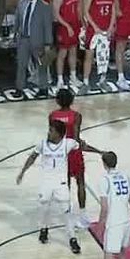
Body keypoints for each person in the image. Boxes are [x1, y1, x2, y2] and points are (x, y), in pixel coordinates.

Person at [16, 119, 83, 253]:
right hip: (46, 182)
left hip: (61, 183)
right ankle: (44, 228)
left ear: (59, 134)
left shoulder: (68, 143)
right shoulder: (42, 144)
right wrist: (22, 172)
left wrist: (100, 152)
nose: (48, 133)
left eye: (51, 131)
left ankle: (72, 239)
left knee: (66, 210)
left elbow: (82, 145)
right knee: (44, 208)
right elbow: (32, 157)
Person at [50, 88, 91, 227]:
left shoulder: (52, 116)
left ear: (57, 100)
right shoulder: (76, 115)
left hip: (60, 152)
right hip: (73, 152)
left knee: (65, 185)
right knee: (80, 182)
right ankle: (83, 214)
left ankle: (68, 215)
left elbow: (53, 136)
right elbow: (76, 137)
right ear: (72, 101)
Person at [15, 0, 54, 90]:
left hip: (38, 41)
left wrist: (48, 43)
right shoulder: (21, 3)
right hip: (23, 40)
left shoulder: (44, 6)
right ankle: (19, 88)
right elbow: (18, 19)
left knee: (41, 65)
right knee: (21, 65)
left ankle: (43, 88)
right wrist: (15, 33)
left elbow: (47, 26)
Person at [82, 0, 116, 87]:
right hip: (93, 30)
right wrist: (94, 27)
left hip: (106, 28)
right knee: (89, 55)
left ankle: (102, 80)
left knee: (104, 56)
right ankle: (85, 82)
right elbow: (85, 11)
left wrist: (111, 27)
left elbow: (113, 11)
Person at [53, 0, 83, 91]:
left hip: (75, 25)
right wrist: (67, 26)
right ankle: (60, 79)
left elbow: (79, 8)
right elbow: (56, 15)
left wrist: (82, 23)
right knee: (62, 53)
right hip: (64, 27)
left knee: (73, 51)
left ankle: (73, 77)